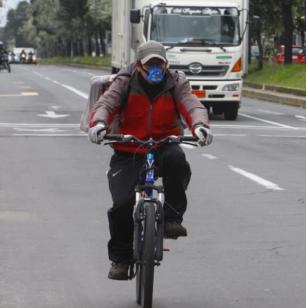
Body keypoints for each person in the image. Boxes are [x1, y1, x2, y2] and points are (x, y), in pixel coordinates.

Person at [88, 40, 213, 280]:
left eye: (160, 63)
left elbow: (191, 104)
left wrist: (199, 126)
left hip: (164, 144)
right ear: (139, 66)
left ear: (166, 64)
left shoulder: (176, 81)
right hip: (129, 147)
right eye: (150, 64)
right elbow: (107, 103)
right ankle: (121, 260)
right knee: (122, 205)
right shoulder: (124, 81)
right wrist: (99, 123)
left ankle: (172, 217)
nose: (155, 69)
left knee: (178, 160)